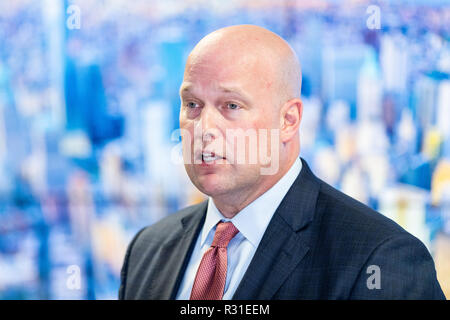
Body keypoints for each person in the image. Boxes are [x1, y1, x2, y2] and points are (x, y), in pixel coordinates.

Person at [119, 25, 445, 300]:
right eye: (192, 104)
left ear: (288, 120)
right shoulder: (147, 250)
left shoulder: (381, 260)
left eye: (231, 105)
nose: (203, 128)